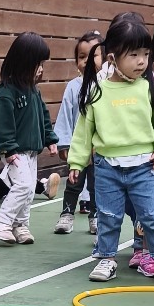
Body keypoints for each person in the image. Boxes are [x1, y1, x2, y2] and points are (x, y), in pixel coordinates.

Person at [68, 13, 154, 282]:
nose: (141, 61)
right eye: (134, 55)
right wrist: (76, 162)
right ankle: (106, 259)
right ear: (112, 58)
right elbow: (84, 130)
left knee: (152, 215)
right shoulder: (97, 91)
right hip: (107, 167)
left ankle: (153, 256)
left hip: (144, 167)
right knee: (108, 216)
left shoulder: (148, 89)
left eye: (145, 54)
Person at [0, 32, 59, 244]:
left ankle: (20, 225)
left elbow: (43, 115)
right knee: (24, 185)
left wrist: (50, 138)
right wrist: (8, 150)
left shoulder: (33, 91)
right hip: (14, 151)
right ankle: (1, 222)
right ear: (23, 63)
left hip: (31, 150)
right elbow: (3, 124)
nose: (41, 69)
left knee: (28, 192)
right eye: (37, 64)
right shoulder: (6, 93)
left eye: (42, 64)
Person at [53, 31, 102, 235]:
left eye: (93, 56)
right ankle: (67, 214)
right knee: (73, 182)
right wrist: (64, 143)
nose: (87, 61)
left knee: (97, 185)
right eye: (82, 57)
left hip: (99, 149)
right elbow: (65, 114)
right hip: (78, 146)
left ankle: (95, 217)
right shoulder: (73, 87)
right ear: (76, 62)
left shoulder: (107, 85)